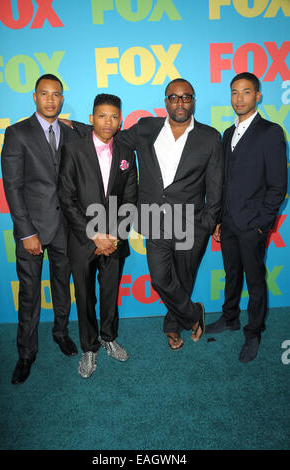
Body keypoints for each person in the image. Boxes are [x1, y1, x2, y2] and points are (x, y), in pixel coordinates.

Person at [68, 78, 224, 350]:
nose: (180, 102)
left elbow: (216, 184)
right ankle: (192, 314)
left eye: (185, 97)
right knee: (161, 278)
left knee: (183, 279)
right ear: (166, 102)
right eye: (173, 97)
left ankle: (173, 326)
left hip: (191, 221)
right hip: (153, 218)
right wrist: (78, 125)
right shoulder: (146, 128)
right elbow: (109, 134)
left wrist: (208, 222)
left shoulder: (210, 137)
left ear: (193, 100)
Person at [1, 74, 82, 385]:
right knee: (29, 293)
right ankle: (25, 353)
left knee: (63, 285)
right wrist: (26, 232)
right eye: (44, 94)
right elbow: (13, 187)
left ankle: (61, 333)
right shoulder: (17, 133)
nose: (51, 100)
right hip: (32, 229)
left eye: (56, 94)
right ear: (34, 96)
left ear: (62, 98)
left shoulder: (71, 133)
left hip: (65, 228)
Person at [205, 72, 287, 362]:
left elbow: (278, 186)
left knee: (254, 282)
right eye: (234, 93)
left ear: (258, 96)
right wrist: (218, 219)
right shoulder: (227, 134)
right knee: (231, 275)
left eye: (246, 92)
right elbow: (225, 181)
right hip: (227, 222)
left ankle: (253, 332)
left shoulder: (271, 131)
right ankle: (229, 319)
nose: (239, 98)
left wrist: (262, 225)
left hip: (252, 225)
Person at [57, 94, 137, 379]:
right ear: (91, 118)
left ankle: (108, 338)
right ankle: (89, 348)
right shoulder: (73, 150)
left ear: (120, 120)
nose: (108, 122)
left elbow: (130, 198)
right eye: (102, 116)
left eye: (114, 116)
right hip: (83, 240)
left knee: (109, 293)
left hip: (114, 239)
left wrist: (113, 236)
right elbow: (66, 198)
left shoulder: (127, 152)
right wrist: (94, 235)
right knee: (85, 295)